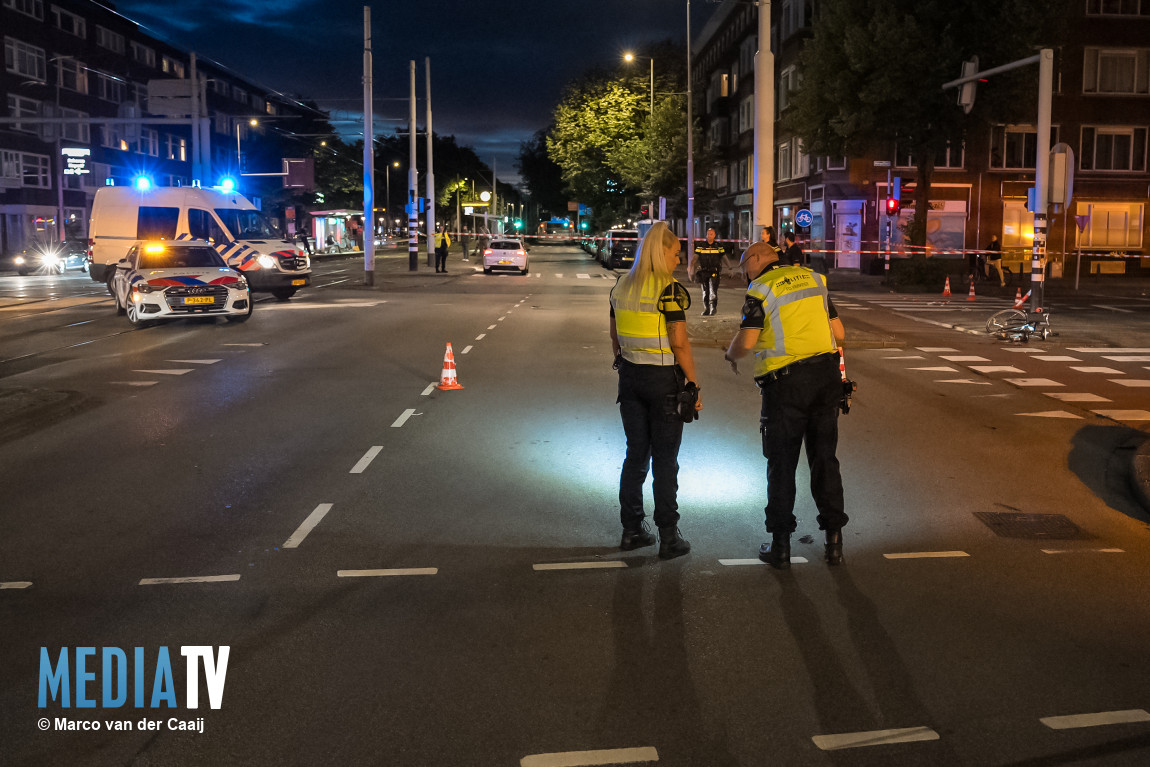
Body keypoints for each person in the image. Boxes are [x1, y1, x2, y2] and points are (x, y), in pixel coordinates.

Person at [724, 240, 848, 569]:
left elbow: (747, 341)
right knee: (825, 459)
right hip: (825, 380)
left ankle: (780, 546)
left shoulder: (760, 288)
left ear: (755, 259)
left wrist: (730, 354)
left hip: (785, 387)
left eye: (741, 266)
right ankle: (834, 541)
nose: (742, 274)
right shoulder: (813, 279)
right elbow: (839, 332)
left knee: (782, 465)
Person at [609, 221, 701, 560]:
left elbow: (614, 339)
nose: (678, 260)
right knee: (665, 460)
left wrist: (629, 365)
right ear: (661, 252)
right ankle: (668, 536)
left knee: (636, 455)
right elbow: (679, 343)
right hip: (664, 382)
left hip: (630, 379)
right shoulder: (670, 290)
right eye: (676, 253)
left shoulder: (620, 286)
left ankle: (632, 530)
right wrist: (692, 383)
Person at [694, 227, 725, 316]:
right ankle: (706, 309)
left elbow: (723, 256)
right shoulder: (701, 245)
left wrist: (730, 267)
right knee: (705, 291)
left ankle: (713, 308)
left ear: (714, 235)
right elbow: (696, 256)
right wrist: (691, 265)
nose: (709, 236)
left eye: (711, 234)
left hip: (714, 271)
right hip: (704, 271)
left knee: (713, 290)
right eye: (708, 234)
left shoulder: (718, 246)